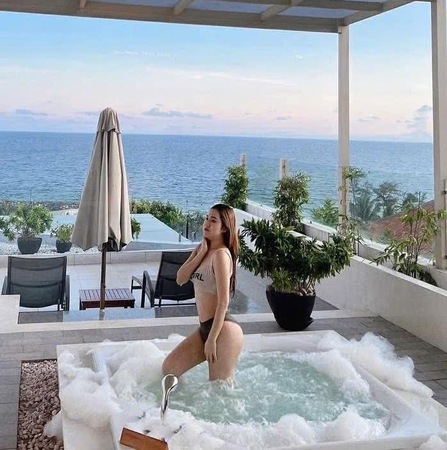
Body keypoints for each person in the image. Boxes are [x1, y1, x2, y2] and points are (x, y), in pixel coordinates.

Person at [162, 203, 243, 381]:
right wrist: (201, 253)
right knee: (169, 368)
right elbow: (180, 278)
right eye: (207, 218)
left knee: (218, 389)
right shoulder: (202, 249)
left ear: (224, 228)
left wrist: (212, 338)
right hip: (205, 327)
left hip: (222, 330)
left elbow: (223, 301)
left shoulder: (221, 255)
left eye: (213, 220)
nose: (206, 223)